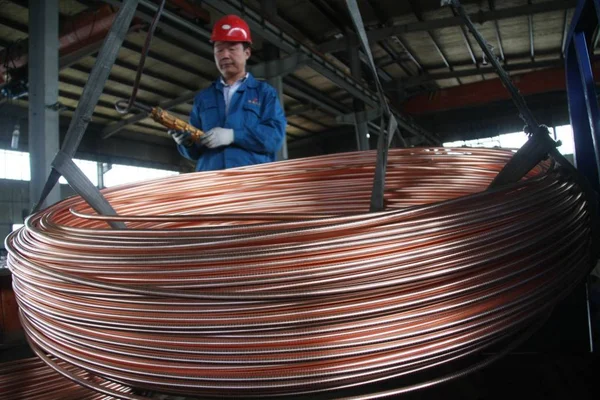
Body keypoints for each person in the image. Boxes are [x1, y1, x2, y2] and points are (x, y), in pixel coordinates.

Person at [169, 15, 286, 171]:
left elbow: (274, 137)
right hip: (212, 184)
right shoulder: (203, 98)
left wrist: (233, 136)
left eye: (232, 49)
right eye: (219, 50)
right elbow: (195, 153)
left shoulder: (264, 93)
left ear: (247, 53)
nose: (224, 55)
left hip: (251, 183)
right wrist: (187, 143)